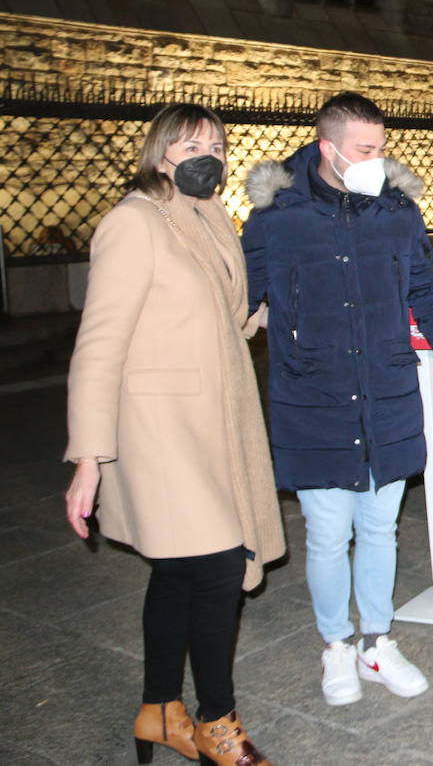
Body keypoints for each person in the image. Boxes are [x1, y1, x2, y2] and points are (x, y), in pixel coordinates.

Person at [63, 103, 284, 766]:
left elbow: (234, 314)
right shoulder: (131, 224)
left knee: (180, 573)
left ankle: (160, 710)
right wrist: (88, 458)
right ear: (159, 151)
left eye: (215, 142)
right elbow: (99, 345)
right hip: (159, 427)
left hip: (216, 419)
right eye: (190, 143)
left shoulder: (213, 215)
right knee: (219, 565)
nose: (206, 154)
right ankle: (219, 722)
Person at [242, 92, 433, 707]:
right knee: (325, 533)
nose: (378, 159)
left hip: (387, 393)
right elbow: (236, 295)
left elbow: (430, 289)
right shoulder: (277, 216)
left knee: (380, 529)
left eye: (381, 148)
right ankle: (336, 646)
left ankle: (377, 640)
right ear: (328, 149)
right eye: (365, 150)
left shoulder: (395, 212)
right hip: (313, 397)